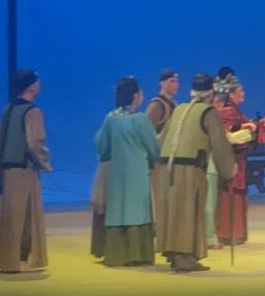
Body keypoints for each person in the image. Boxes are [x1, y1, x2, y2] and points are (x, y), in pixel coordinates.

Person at [155, 72, 236, 272]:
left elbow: (162, 140)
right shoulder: (208, 112)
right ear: (210, 93)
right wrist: (229, 171)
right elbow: (219, 145)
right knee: (187, 211)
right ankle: (184, 257)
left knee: (173, 211)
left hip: (167, 168)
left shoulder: (179, 109)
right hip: (189, 169)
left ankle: (175, 254)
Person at [0, 68, 52, 272]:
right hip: (24, 169)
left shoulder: (8, 108)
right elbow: (34, 143)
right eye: (37, 81)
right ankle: (20, 259)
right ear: (32, 86)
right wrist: (45, 163)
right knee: (25, 215)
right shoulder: (33, 111)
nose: (39, 84)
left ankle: (8, 259)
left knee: (10, 214)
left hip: (6, 169)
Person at [94, 77, 160, 266]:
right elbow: (153, 147)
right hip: (138, 173)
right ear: (135, 95)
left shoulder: (111, 119)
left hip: (116, 174)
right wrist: (153, 158)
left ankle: (116, 254)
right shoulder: (140, 119)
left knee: (117, 209)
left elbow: (101, 145)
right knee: (137, 210)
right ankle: (137, 254)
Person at [212, 67, 265, 248]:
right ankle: (229, 233)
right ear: (232, 93)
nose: (243, 93)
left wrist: (254, 125)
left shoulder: (231, 110)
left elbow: (238, 126)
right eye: (240, 90)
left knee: (230, 194)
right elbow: (231, 136)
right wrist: (253, 129)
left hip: (235, 161)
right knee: (231, 193)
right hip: (232, 161)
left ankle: (229, 233)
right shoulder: (228, 111)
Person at [145, 69, 179, 224]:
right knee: (159, 198)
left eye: (176, 81)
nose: (175, 84)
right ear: (162, 83)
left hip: (171, 159)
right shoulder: (157, 105)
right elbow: (145, 133)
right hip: (158, 160)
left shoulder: (174, 104)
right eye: (171, 81)